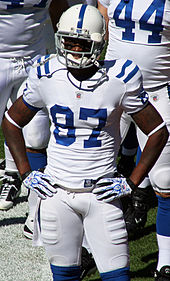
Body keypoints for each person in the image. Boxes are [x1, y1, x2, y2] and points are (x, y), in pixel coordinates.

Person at [2, 4, 168, 281]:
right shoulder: (47, 73)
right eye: (70, 42)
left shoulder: (120, 78)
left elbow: (158, 130)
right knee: (65, 275)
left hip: (101, 194)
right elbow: (11, 121)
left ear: (99, 44)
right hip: (56, 194)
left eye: (82, 43)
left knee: (117, 276)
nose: (75, 50)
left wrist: (131, 181)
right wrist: (26, 173)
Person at [98, 0, 170, 279]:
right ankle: (86, 246)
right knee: (94, 169)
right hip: (109, 88)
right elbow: (100, 24)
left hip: (156, 91)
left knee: (165, 180)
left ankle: (165, 261)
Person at [0, 0, 69, 212]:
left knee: (37, 136)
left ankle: (36, 206)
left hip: (35, 57)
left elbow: (59, 7)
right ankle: (12, 176)